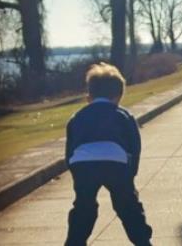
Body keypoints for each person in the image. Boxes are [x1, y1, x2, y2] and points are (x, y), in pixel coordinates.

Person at [64, 63, 152, 246]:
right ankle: (142, 241)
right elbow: (134, 147)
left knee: (83, 206)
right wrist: (130, 176)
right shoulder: (123, 115)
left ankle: (75, 242)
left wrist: (75, 172)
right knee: (127, 205)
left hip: (82, 163)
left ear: (89, 96)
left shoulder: (77, 117)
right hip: (115, 162)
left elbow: (70, 148)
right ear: (119, 95)